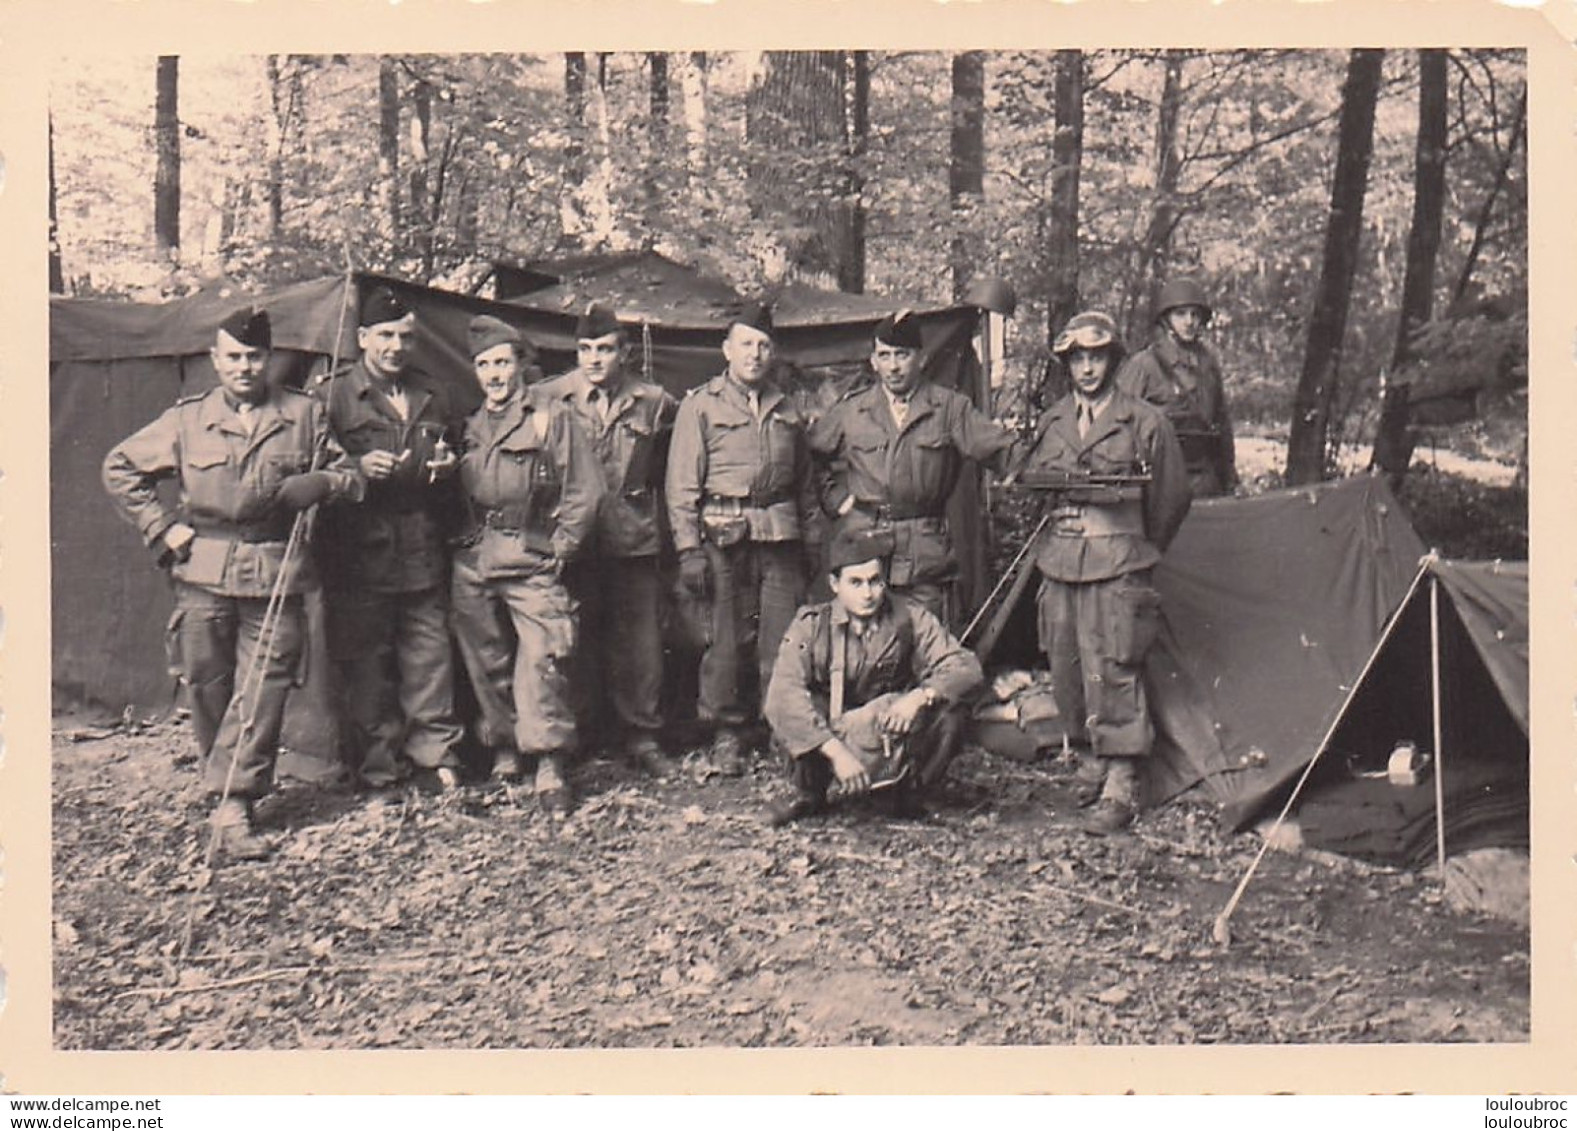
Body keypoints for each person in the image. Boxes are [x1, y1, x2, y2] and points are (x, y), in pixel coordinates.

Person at [102, 307, 364, 860]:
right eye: (234, 357)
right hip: (203, 569)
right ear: (216, 360)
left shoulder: (304, 415)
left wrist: (319, 482)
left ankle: (234, 802)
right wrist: (164, 528)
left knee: (262, 693)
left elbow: (352, 478)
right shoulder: (187, 420)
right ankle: (223, 782)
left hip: (274, 570)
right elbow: (119, 466)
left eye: (254, 357)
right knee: (206, 684)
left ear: (269, 359)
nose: (244, 367)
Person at [1016, 310, 1191, 835]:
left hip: (1118, 559)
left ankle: (1121, 779)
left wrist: (1134, 543)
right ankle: (1091, 758)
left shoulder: (1145, 421)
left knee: (1114, 662)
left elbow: (1171, 498)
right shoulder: (1052, 422)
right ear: (1067, 364)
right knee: (1067, 665)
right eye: (1077, 359)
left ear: (1114, 360)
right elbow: (1037, 487)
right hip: (1060, 558)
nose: (1087, 368)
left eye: (1097, 357)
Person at [448, 314, 605, 814]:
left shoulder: (549, 417)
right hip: (476, 554)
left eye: (502, 362)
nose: (494, 374)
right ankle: (505, 748)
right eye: (484, 365)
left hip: (531, 551)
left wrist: (564, 546)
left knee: (543, 656)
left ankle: (549, 762)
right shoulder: (471, 425)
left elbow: (587, 489)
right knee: (486, 657)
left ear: (520, 365)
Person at [315, 287, 466, 794]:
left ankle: (435, 758)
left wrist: (449, 468)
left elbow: (457, 451)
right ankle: (379, 767)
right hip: (359, 551)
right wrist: (355, 468)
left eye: (405, 336)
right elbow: (312, 470)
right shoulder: (332, 395)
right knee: (367, 666)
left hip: (422, 546)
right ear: (362, 338)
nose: (395, 346)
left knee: (430, 658)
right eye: (385, 335)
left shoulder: (433, 393)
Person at [666, 301, 812, 776]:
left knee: (783, 641)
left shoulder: (788, 408)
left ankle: (781, 731)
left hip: (780, 537)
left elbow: (805, 484)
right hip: (722, 539)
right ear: (726, 349)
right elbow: (681, 485)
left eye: (764, 345)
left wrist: (813, 544)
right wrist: (689, 550)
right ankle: (725, 733)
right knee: (723, 642)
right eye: (746, 343)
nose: (755, 353)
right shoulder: (701, 405)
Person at [537, 304, 679, 777]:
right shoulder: (549, 398)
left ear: (624, 352)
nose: (594, 359)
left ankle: (641, 736)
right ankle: (578, 737)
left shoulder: (655, 401)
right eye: (585, 349)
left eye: (604, 349)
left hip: (631, 535)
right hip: (573, 539)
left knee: (638, 644)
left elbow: (667, 471)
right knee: (571, 641)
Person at [762, 528, 984, 826]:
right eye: (855, 582)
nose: (868, 593)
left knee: (951, 712)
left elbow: (965, 667)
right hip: (829, 742)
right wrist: (837, 754)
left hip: (885, 735)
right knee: (799, 706)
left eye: (875, 581)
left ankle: (909, 795)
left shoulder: (909, 617)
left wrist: (918, 697)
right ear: (834, 584)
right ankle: (810, 793)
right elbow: (781, 696)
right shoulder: (811, 626)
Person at [810, 311, 1015, 625]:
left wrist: (1046, 468)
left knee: (925, 641)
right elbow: (809, 458)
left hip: (925, 552)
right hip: (864, 548)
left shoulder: (949, 408)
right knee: (864, 645)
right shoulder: (852, 410)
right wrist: (837, 499)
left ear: (920, 358)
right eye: (885, 356)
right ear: (873, 361)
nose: (893, 366)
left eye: (902, 355)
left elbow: (1001, 449)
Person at [1117, 278, 1238, 498]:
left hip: (1204, 477)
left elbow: (1222, 424)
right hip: (1161, 479)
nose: (1189, 322)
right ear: (1165, 320)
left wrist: (1229, 476)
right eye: (1180, 314)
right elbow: (1119, 422)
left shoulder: (1208, 364)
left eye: (1195, 314)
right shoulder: (1144, 365)